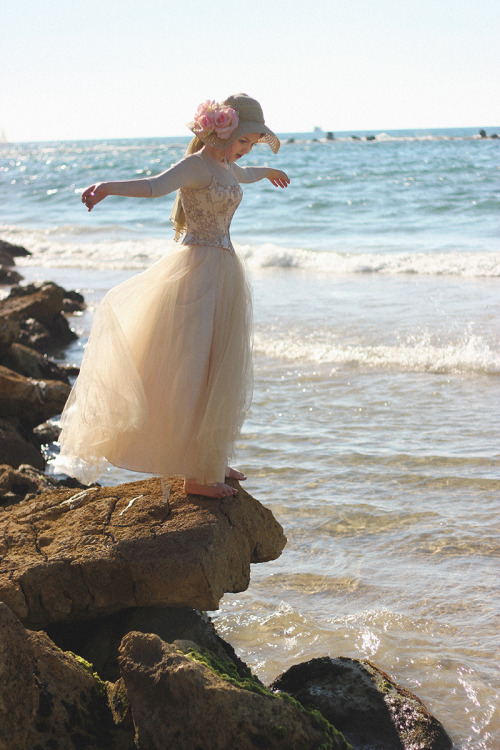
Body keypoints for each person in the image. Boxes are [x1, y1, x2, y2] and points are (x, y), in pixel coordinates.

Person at [54, 94, 290, 499]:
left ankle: (208, 458)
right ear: (224, 131)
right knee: (193, 367)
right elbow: (154, 186)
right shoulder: (196, 164)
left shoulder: (226, 164)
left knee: (218, 367)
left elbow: (242, 175)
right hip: (197, 273)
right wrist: (107, 187)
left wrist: (266, 170)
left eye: (251, 145)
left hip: (225, 272)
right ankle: (197, 477)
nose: (246, 150)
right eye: (244, 141)